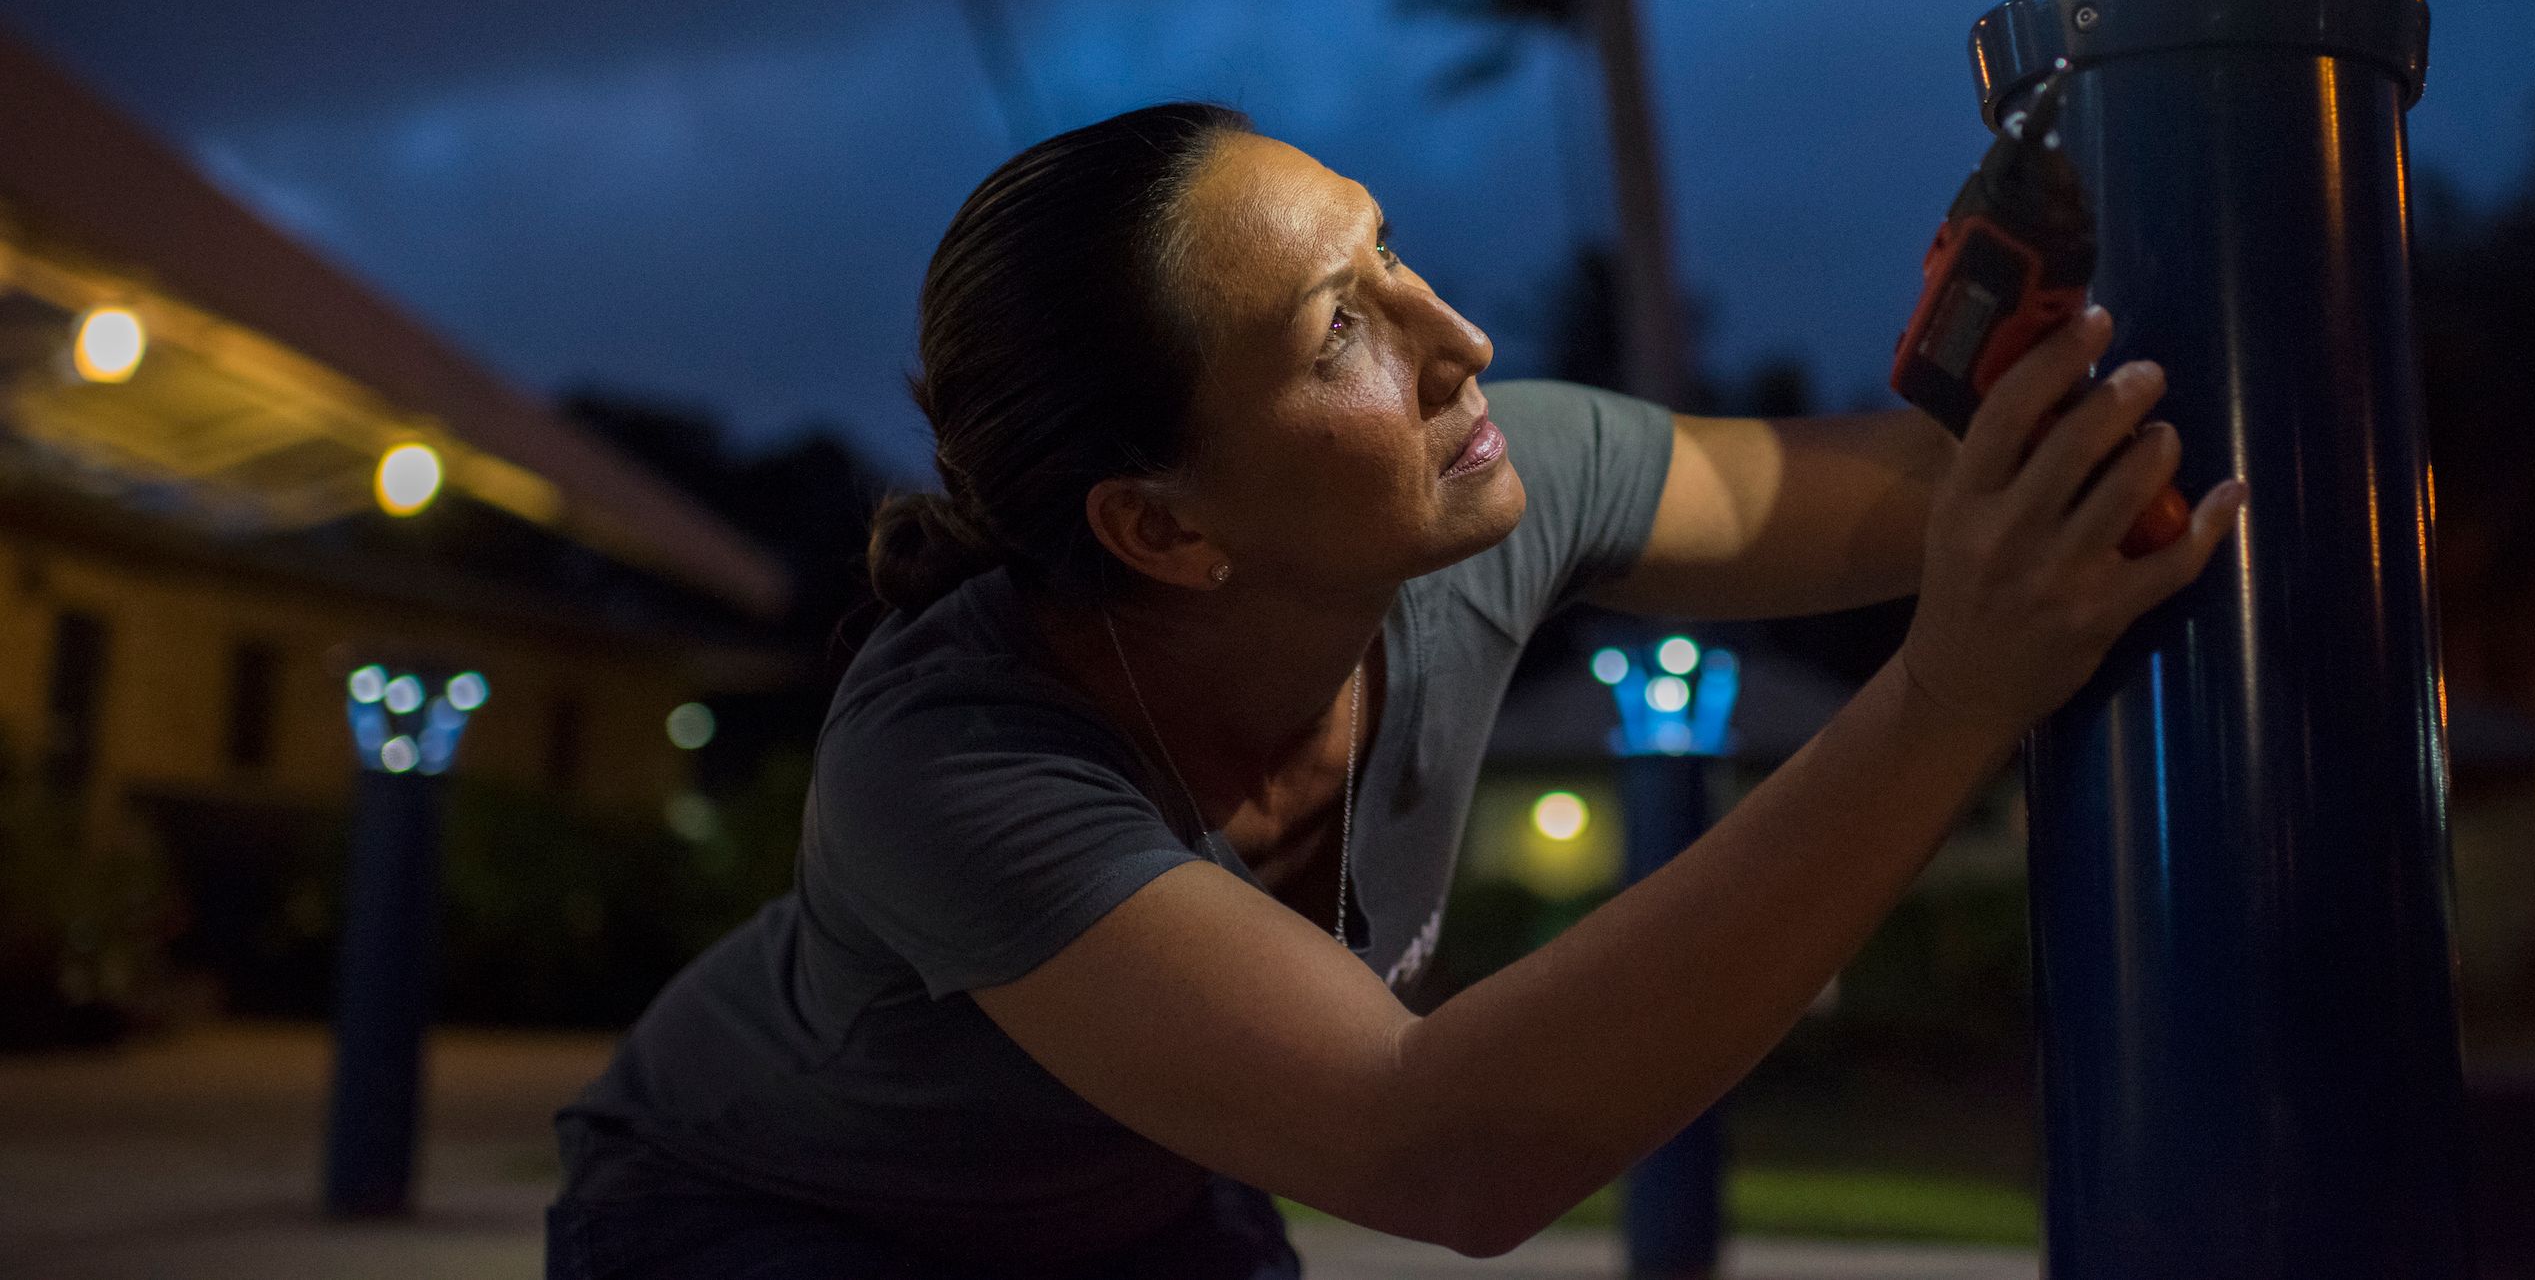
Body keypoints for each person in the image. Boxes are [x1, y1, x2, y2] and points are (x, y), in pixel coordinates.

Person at [548, 101, 2242, 1278]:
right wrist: (1952, 693)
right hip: (774, 1218)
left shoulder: (1475, 485)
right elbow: (1438, 1149)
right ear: (1162, 523)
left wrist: (2104, 311)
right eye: (1337, 331)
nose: (1461, 341)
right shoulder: (951, 762)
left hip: (1130, 1222)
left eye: (1396, 253)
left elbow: (1936, 488)